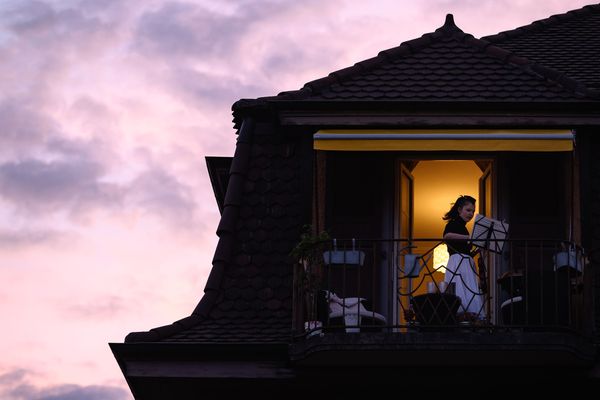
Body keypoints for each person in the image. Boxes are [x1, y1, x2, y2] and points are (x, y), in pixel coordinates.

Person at [442, 195, 485, 321]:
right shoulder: (454, 223)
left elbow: (466, 252)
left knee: (469, 290)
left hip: (466, 262)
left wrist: (477, 250)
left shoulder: (465, 228)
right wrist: (470, 238)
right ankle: (462, 317)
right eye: (468, 210)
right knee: (462, 290)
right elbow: (447, 236)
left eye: (473, 211)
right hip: (458, 262)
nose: (471, 214)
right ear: (459, 209)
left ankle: (469, 318)